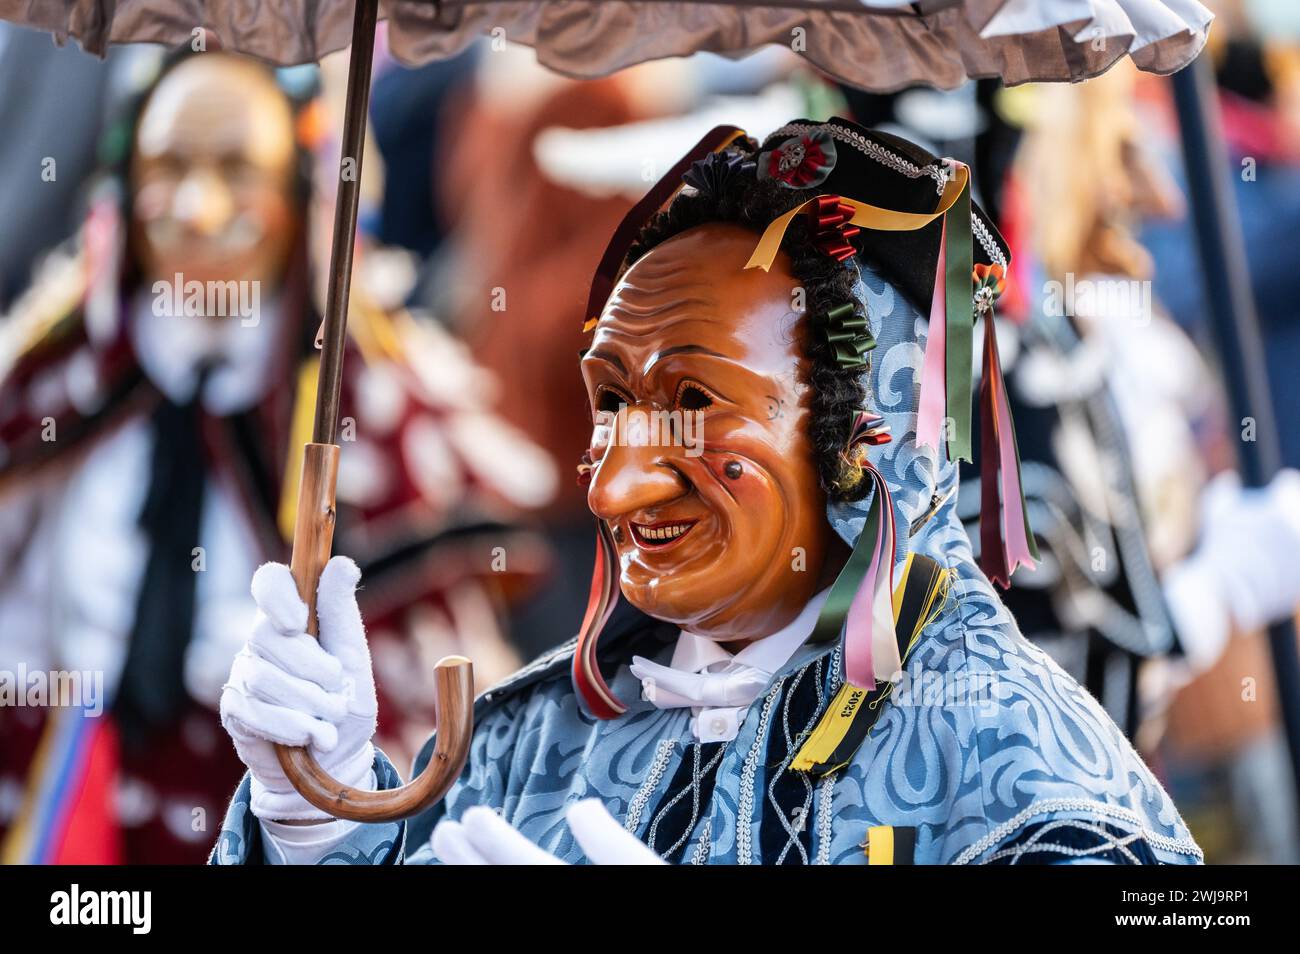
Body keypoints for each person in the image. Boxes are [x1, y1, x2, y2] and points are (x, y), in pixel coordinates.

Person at [213, 118, 1202, 865]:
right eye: (610, 402)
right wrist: (315, 820)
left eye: (695, 401)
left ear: (869, 440)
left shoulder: (1024, 776)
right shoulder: (534, 736)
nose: (616, 481)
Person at [0, 49, 548, 864]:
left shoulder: (382, 412)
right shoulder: (51, 384)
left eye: (235, 167)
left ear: (299, 190)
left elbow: (421, 715)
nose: (198, 205)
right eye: (170, 165)